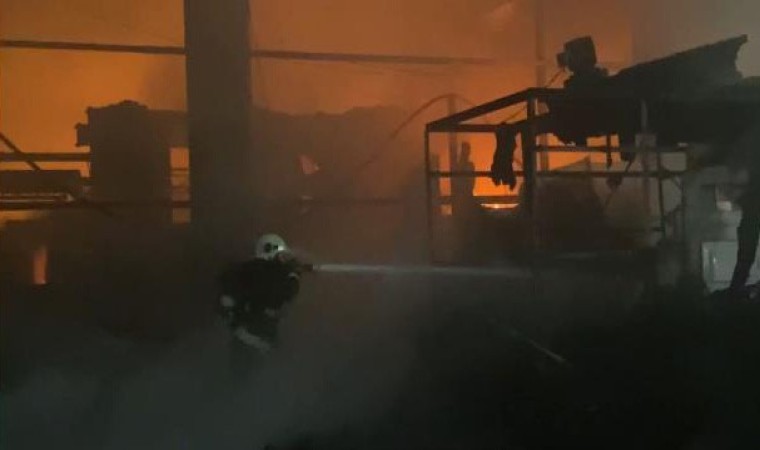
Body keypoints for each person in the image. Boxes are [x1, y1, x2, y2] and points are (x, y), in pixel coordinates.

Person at [217, 233, 309, 375]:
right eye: (280, 256)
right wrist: (294, 275)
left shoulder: (250, 270)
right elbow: (286, 293)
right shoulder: (266, 272)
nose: (282, 260)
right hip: (256, 337)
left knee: (240, 377)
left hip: (244, 337)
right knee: (255, 376)